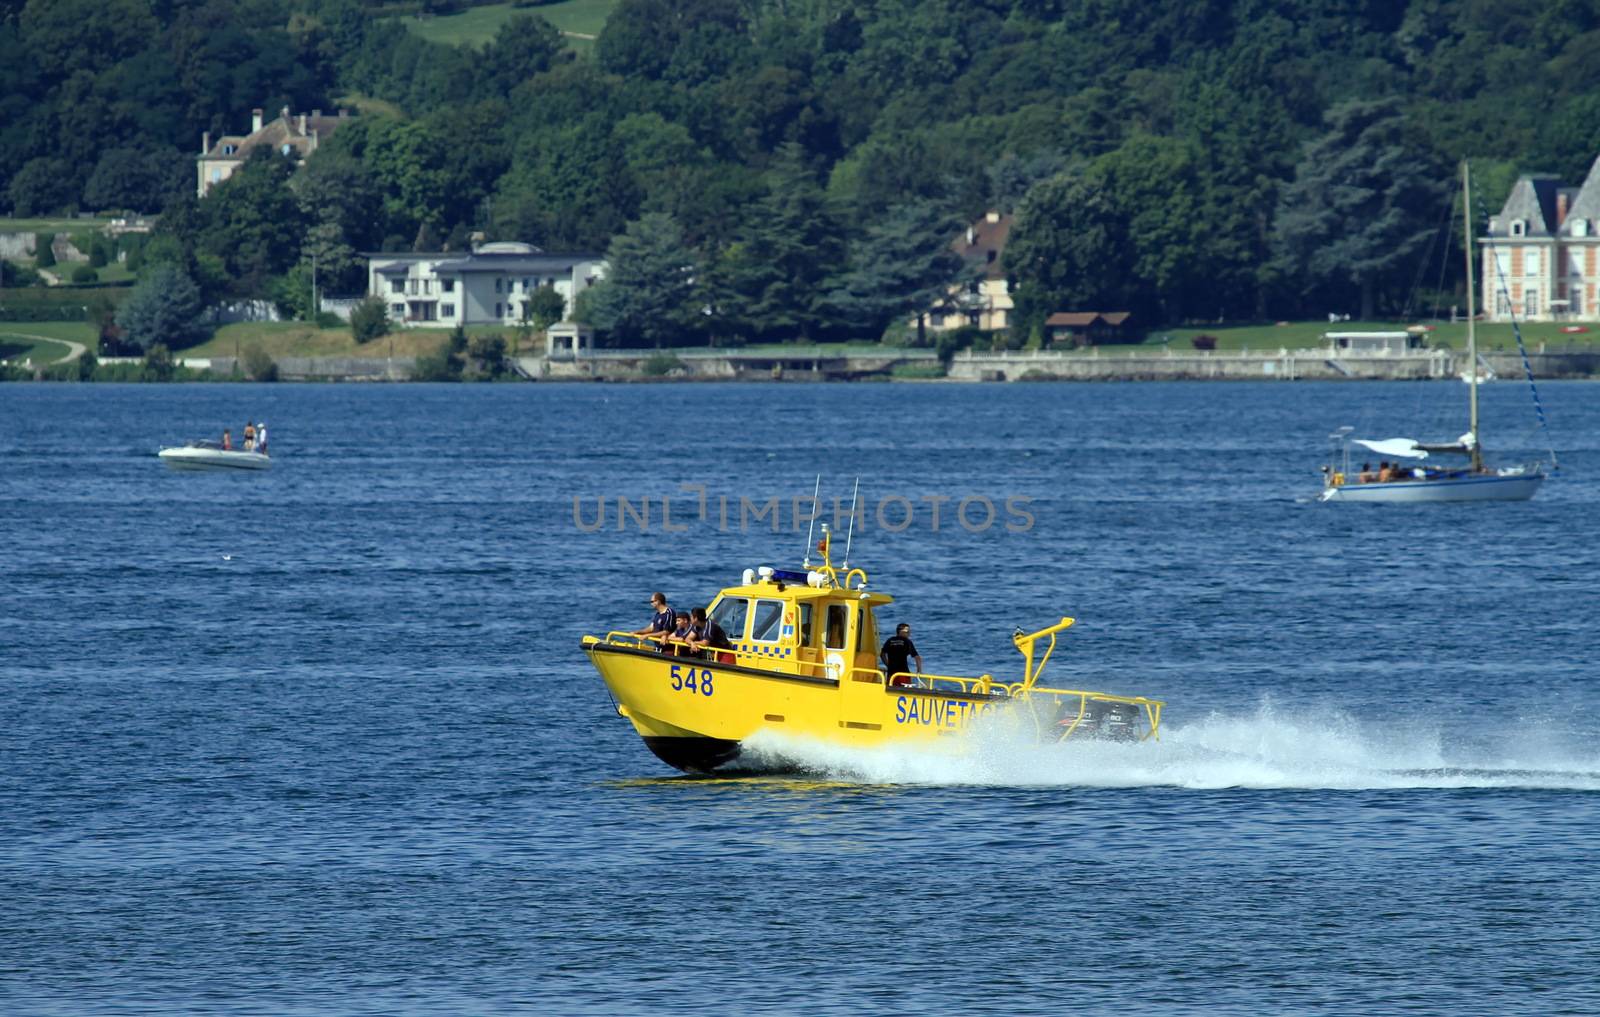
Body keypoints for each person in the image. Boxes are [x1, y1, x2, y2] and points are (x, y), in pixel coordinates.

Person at [880, 623, 923, 687]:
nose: (909, 633)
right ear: (901, 631)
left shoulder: (889, 640)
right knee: (906, 693)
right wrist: (919, 671)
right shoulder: (907, 641)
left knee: (891, 692)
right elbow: (917, 658)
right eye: (907, 631)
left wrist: (888, 665)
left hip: (891, 674)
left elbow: (882, 654)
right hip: (903, 674)